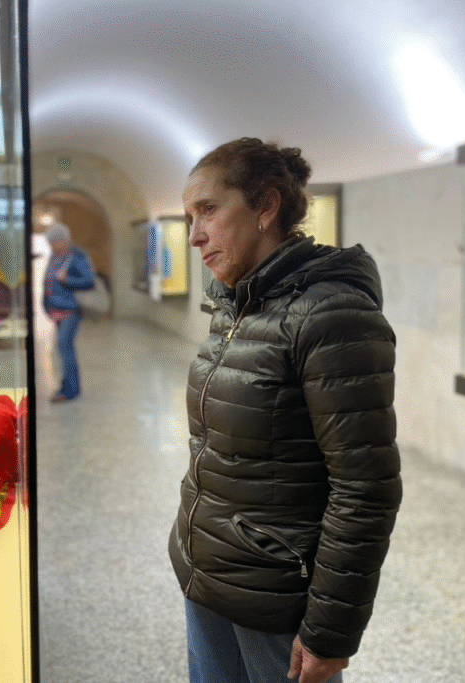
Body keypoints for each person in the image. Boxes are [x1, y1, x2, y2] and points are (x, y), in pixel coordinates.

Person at [168, 137, 402, 683]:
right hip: (208, 573)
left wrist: (330, 631)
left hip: (276, 596)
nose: (195, 234)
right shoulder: (238, 304)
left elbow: (365, 486)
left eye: (208, 210)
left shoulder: (331, 314)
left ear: (266, 208)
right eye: (188, 216)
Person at [42, 221, 95, 403]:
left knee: (64, 347)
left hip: (70, 310)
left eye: (53, 243)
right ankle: (68, 386)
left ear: (63, 240)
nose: (51, 246)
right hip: (57, 309)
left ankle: (70, 390)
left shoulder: (76, 256)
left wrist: (68, 280)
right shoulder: (55, 256)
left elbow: (89, 281)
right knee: (65, 348)